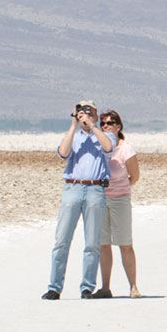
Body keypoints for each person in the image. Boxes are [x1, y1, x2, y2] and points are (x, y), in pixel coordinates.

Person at [43, 100, 114, 299]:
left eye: (89, 111)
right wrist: (74, 124)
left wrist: (92, 127)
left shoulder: (105, 135)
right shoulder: (73, 137)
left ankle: (87, 287)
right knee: (61, 240)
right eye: (82, 111)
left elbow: (108, 148)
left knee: (92, 242)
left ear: (96, 114)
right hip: (72, 188)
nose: (85, 114)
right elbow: (63, 153)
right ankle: (54, 287)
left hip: (95, 189)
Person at [93, 110, 140, 298]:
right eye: (103, 124)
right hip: (99, 199)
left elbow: (134, 175)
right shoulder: (97, 146)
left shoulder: (126, 148)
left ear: (118, 126)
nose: (106, 126)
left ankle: (133, 286)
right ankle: (105, 287)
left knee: (125, 243)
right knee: (103, 244)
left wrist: (121, 187)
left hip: (120, 199)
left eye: (110, 123)